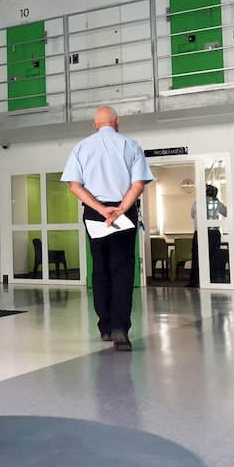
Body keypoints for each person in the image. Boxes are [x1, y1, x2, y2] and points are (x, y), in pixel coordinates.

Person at [61, 106, 153, 351]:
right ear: (117, 122)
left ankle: (105, 327)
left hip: (94, 212)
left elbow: (74, 186)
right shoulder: (131, 146)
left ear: (95, 125)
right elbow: (138, 185)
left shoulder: (81, 147)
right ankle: (119, 328)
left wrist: (102, 211)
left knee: (100, 269)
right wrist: (120, 209)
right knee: (122, 269)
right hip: (124, 211)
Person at [187, 184, 228, 287]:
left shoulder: (196, 203)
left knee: (196, 257)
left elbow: (192, 215)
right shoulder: (216, 203)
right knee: (214, 257)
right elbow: (226, 213)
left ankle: (194, 281)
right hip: (213, 232)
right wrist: (218, 201)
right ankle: (213, 280)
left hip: (199, 232)